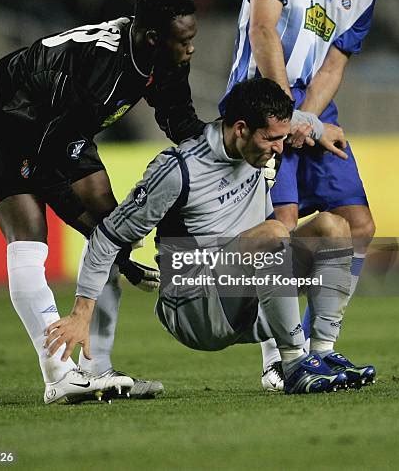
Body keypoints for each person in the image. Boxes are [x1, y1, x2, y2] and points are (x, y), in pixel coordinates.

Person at [44, 78, 375, 399]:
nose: (278, 149)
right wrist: (80, 312)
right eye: (271, 139)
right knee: (273, 233)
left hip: (245, 295)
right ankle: (294, 364)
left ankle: (322, 354)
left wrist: (320, 128)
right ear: (241, 128)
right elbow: (107, 237)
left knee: (334, 227)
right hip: (193, 304)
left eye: (282, 138)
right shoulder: (179, 169)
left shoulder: (262, 135)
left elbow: (298, 123)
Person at [0, 0, 206, 404]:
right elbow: (45, 170)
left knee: (113, 221)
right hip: (8, 117)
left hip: (62, 127)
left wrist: (225, 158)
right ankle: (59, 376)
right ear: (153, 37)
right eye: (184, 41)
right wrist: (111, 248)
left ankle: (96, 369)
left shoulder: (161, 57)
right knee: (30, 233)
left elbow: (181, 121)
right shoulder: (94, 69)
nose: (191, 49)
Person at [219, 0, 376, 390]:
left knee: (358, 225)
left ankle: (321, 349)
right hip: (261, 104)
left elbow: (333, 68)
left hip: (307, 110)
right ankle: (276, 358)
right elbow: (264, 30)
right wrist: (289, 119)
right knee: (281, 229)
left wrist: (307, 118)